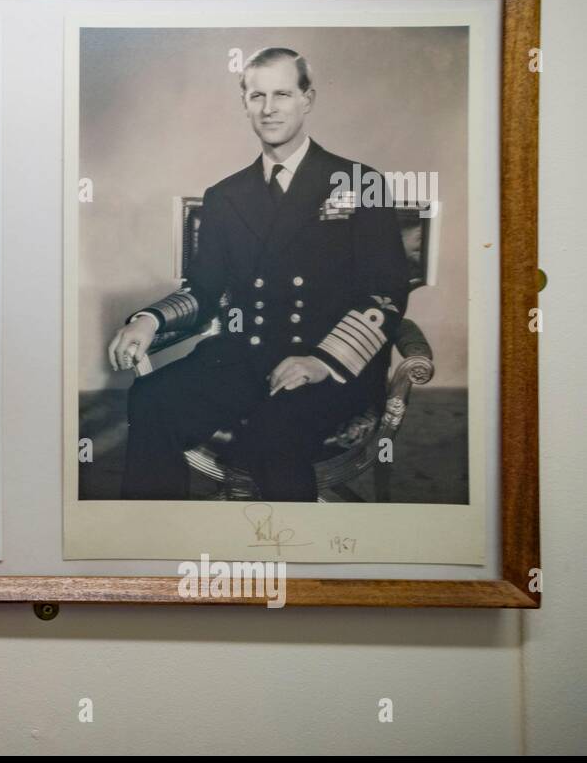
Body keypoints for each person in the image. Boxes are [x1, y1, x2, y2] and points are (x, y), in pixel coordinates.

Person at [108, 47, 410, 502]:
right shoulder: (225, 196)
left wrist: (321, 362)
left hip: (329, 368)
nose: (269, 109)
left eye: (283, 94)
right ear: (244, 103)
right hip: (243, 359)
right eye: (257, 96)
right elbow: (205, 290)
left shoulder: (359, 182)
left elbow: (385, 293)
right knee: (152, 399)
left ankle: (293, 565)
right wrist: (150, 319)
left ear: (308, 99)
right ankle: (156, 545)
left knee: (275, 432)